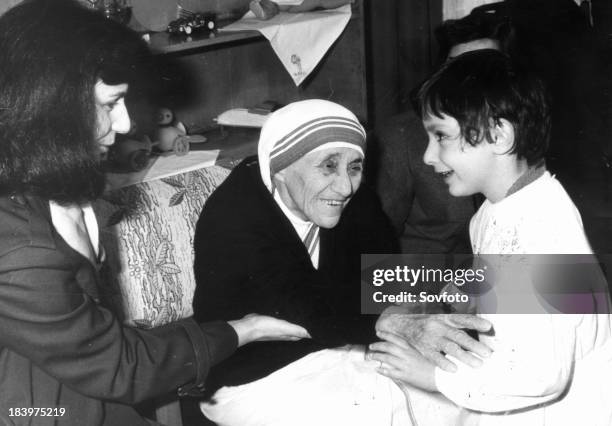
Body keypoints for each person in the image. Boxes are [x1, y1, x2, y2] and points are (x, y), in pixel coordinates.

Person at [0, 1, 309, 425]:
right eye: (110, 103)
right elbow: (120, 366)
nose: (126, 124)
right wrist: (244, 330)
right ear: (52, 106)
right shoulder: (21, 245)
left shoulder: (40, 182)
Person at [370, 50, 612, 425]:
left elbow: (542, 375)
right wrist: (472, 288)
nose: (429, 156)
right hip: (515, 387)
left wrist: (432, 377)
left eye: (440, 136)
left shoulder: (542, 233)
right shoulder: (494, 209)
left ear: (498, 136)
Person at [192, 99, 417, 425]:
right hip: (258, 374)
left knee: (446, 391)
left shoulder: (356, 197)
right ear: (281, 167)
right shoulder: (235, 216)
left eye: (354, 167)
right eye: (328, 166)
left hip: (345, 343)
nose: (345, 187)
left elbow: (383, 279)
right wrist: (403, 315)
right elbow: (312, 309)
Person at [372, 9, 513, 254]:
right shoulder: (401, 136)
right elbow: (377, 243)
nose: (472, 84)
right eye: (460, 71)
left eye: (486, 70)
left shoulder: (515, 131)